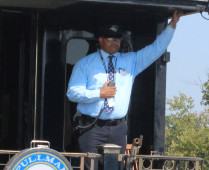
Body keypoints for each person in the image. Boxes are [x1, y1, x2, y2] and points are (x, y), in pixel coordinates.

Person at [67, 10, 181, 154]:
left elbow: (155, 50)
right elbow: (72, 93)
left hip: (118, 128)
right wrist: (99, 93)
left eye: (117, 39)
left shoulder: (130, 60)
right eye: (110, 38)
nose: (114, 42)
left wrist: (172, 25)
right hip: (91, 126)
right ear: (101, 40)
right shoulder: (85, 64)